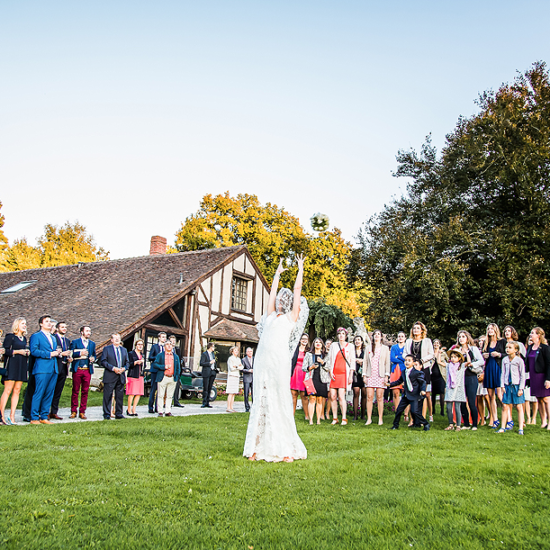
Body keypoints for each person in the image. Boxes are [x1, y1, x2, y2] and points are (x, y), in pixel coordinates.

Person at [243, 256, 309, 462]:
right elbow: (270, 295)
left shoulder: (291, 318)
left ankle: (285, 449)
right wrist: (277, 275)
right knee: (261, 400)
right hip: (263, 362)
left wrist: (300, 269)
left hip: (279, 363)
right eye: (279, 299)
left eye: (283, 300)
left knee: (279, 400)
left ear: (288, 304)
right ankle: (255, 447)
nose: (280, 301)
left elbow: (297, 290)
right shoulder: (270, 316)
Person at [29, 315, 60, 425]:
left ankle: (44, 416)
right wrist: (49, 354)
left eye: (50, 321)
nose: (49, 323)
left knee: (49, 393)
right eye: (46, 321)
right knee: (39, 392)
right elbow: (34, 351)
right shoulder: (36, 336)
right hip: (42, 368)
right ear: (41, 324)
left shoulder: (53, 337)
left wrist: (57, 353)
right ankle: (34, 417)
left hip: (53, 368)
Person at [451, 330, 484, 431]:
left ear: (467, 338)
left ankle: (474, 424)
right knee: (462, 401)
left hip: (471, 377)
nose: (461, 339)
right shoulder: (457, 350)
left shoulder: (473, 349)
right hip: (460, 378)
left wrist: (472, 364)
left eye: (463, 336)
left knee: (471, 401)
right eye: (459, 337)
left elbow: (481, 361)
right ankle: (465, 423)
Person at [0, 318, 30, 425]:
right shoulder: (10, 337)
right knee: (7, 390)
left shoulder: (24, 338)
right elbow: (5, 351)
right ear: (17, 325)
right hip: (11, 366)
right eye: (22, 323)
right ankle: (1, 416)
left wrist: (26, 352)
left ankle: (12, 416)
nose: (25, 325)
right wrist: (18, 352)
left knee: (17, 390)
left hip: (21, 366)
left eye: (25, 324)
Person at [388, 355, 429, 430]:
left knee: (414, 411)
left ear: (413, 363)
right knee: (399, 410)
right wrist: (390, 384)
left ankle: (425, 423)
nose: (407, 362)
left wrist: (423, 390)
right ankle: (395, 425)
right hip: (406, 395)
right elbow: (399, 381)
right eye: (406, 360)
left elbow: (423, 382)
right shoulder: (404, 372)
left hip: (414, 395)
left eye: (409, 361)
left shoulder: (417, 373)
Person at [405, 321, 435, 422]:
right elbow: (404, 353)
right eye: (414, 328)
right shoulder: (409, 341)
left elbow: (431, 354)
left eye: (418, 328)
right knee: (412, 393)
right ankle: (412, 420)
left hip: (423, 368)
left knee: (423, 394)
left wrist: (421, 361)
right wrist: (410, 361)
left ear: (422, 330)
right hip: (412, 368)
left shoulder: (427, 341)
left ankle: (422, 419)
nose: (416, 330)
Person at [497, 341, 526, 435]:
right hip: (507, 385)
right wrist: (502, 385)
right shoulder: (504, 360)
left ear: (516, 350)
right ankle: (502, 427)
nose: (507, 349)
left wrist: (521, 388)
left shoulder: (519, 361)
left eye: (510, 347)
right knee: (505, 406)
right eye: (506, 347)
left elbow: (522, 375)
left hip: (516, 385)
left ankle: (521, 428)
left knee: (518, 406)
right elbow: (503, 373)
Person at [362, 329, 390, 425]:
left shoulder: (385, 348)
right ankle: (369, 418)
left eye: (379, 334)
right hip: (370, 374)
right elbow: (365, 362)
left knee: (379, 397)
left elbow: (387, 362)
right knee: (369, 397)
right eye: (375, 334)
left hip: (380, 375)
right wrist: (364, 375)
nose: (377, 335)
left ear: (381, 337)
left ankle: (380, 419)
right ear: (372, 337)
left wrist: (386, 376)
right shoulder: (368, 348)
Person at [328, 327, 355, 426]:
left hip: (344, 373)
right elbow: (330, 359)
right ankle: (335, 418)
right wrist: (330, 371)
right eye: (339, 334)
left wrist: (350, 375)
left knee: (341, 396)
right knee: (333, 396)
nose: (341, 336)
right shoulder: (334, 345)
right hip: (335, 372)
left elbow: (352, 361)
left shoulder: (350, 346)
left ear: (346, 336)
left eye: (343, 334)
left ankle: (344, 417)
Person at [482, 323, 507, 429]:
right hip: (489, 369)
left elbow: (508, 354)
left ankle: (508, 418)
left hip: (498, 369)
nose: (490, 330)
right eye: (488, 329)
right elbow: (483, 355)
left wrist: (499, 354)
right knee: (491, 396)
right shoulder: (486, 343)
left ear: (496, 330)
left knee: (500, 396)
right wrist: (484, 355)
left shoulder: (502, 342)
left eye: (492, 328)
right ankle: (495, 419)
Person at [525, 327, 550, 430]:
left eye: (532, 333)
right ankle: (543, 421)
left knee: (546, 399)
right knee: (539, 399)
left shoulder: (544, 348)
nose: (530, 334)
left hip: (542, 375)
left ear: (538, 335)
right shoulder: (530, 347)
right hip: (533, 376)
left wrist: (548, 379)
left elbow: (549, 364)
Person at [70, 326, 96, 420]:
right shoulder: (75, 342)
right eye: (87, 331)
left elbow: (94, 354)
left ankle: (82, 411)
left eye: (90, 331)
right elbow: (71, 353)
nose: (89, 333)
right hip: (78, 368)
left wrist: (93, 358)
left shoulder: (92, 343)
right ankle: (73, 411)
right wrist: (80, 353)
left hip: (87, 369)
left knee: (85, 391)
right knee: (75, 390)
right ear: (82, 332)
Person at [100, 333, 129, 420]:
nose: (117, 340)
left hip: (121, 375)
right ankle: (107, 414)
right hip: (110, 375)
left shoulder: (124, 350)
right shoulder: (107, 349)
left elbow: (127, 362)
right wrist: (113, 368)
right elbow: (103, 361)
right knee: (108, 396)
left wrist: (124, 368)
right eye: (115, 338)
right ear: (111, 340)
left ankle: (119, 413)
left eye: (118, 338)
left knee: (119, 396)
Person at [49, 321, 73, 420]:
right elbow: (51, 352)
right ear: (57, 328)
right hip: (55, 367)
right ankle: (46, 411)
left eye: (65, 327)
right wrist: (61, 354)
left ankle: (54, 412)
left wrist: (69, 358)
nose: (64, 329)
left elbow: (68, 352)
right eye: (62, 327)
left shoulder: (67, 341)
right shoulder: (53, 338)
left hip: (64, 367)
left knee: (58, 391)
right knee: (50, 390)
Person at [302, 337, 329, 424]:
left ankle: (318, 420)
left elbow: (328, 368)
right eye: (316, 342)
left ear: (322, 345)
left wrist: (322, 362)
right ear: (313, 344)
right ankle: (310, 420)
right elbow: (303, 368)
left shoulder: (325, 355)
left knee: (320, 400)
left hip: (321, 379)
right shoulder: (309, 354)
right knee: (312, 399)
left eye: (319, 342)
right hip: (311, 378)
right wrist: (311, 367)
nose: (318, 344)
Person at [152, 340, 181, 417]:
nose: (169, 346)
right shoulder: (160, 355)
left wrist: (176, 376)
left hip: (172, 377)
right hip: (163, 377)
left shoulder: (175, 356)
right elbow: (155, 364)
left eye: (170, 344)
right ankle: (160, 411)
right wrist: (163, 367)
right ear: (164, 347)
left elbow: (178, 367)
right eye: (167, 344)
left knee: (170, 395)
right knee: (160, 395)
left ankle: (168, 411)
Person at [444, 349, 466, 431]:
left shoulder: (462, 366)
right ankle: (451, 424)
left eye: (455, 357)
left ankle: (458, 425)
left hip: (458, 388)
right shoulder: (448, 365)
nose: (453, 358)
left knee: (457, 407)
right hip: (450, 388)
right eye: (452, 357)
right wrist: (439, 353)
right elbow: (439, 362)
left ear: (459, 358)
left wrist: (467, 353)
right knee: (449, 407)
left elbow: (469, 362)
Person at [290, 334, 310, 421]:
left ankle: (307, 415)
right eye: (303, 339)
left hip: (304, 373)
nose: (304, 340)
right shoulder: (295, 350)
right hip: (295, 372)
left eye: (306, 339)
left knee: (304, 395)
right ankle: (292, 414)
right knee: (294, 395)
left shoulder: (309, 351)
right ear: (300, 340)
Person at [148, 332, 167, 413]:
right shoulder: (155, 347)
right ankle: (150, 407)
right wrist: (159, 356)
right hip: (155, 370)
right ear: (159, 338)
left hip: (163, 370)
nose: (164, 338)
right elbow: (150, 357)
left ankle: (157, 407)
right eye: (163, 337)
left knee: (160, 390)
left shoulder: (166, 348)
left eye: (165, 337)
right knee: (153, 389)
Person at [127, 339, 146, 416]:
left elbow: (144, 365)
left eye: (141, 344)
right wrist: (135, 362)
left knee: (138, 393)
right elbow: (128, 364)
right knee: (131, 393)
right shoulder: (131, 354)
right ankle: (129, 409)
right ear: (136, 345)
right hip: (133, 375)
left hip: (140, 375)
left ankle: (134, 409)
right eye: (139, 344)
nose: (140, 346)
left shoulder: (142, 355)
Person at [389, 332, 406, 416]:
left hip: (404, 369)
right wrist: (402, 358)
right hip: (395, 370)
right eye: (399, 336)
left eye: (402, 336)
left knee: (405, 392)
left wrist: (398, 357)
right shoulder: (394, 347)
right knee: (395, 392)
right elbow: (392, 358)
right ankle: (397, 412)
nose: (400, 338)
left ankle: (406, 414)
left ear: (405, 338)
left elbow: (407, 358)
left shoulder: (407, 347)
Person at [523, 335, 539, 425]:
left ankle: (534, 418)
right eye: (529, 340)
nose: (530, 341)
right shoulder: (526, 350)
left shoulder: (537, 350)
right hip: (526, 374)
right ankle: (528, 417)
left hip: (534, 374)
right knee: (526, 398)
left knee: (534, 399)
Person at [431, 339, 447, 417]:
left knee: (441, 392)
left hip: (441, 375)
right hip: (432, 375)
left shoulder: (443, 353)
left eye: (437, 343)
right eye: (434, 343)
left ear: (440, 344)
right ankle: (433, 409)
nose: (436, 344)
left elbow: (448, 361)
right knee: (433, 393)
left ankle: (442, 410)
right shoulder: (431, 353)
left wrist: (444, 364)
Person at [352, 335, 367, 420]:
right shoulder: (352, 351)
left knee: (364, 393)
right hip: (355, 374)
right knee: (356, 392)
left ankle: (363, 415)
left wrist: (362, 361)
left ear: (362, 342)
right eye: (356, 340)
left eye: (359, 340)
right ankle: (355, 415)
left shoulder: (365, 351)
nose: (357, 341)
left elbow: (368, 361)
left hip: (363, 374)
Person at [200, 342, 218, 408]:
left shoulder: (213, 354)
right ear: (210, 347)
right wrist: (209, 363)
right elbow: (201, 363)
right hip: (206, 372)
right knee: (206, 387)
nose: (214, 348)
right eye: (213, 347)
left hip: (212, 372)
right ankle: (204, 402)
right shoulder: (204, 354)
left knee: (210, 387)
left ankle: (208, 402)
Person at [168, 335, 184, 408]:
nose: (173, 342)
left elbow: (180, 360)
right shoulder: (168, 350)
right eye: (172, 341)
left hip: (176, 371)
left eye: (174, 340)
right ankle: (167, 402)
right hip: (169, 370)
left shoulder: (177, 349)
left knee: (176, 386)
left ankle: (176, 401)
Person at [241, 347, 254, 412]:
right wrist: (248, 370)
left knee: (254, 393)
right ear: (246, 353)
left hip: (253, 378)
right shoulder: (244, 360)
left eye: (251, 351)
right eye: (248, 351)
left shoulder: (255, 359)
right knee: (246, 394)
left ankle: (254, 406)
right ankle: (247, 407)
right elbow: (242, 369)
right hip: (247, 378)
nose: (250, 353)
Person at [323, 339, 333, 419]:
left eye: (330, 344)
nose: (329, 345)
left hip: (330, 375)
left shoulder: (333, 354)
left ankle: (327, 412)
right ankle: (321, 412)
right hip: (323, 375)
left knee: (330, 395)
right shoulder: (322, 354)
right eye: (327, 343)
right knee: (323, 395)